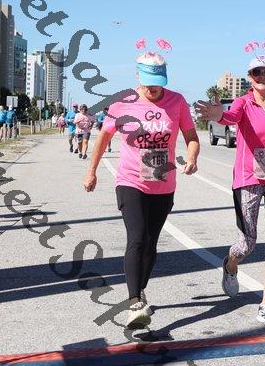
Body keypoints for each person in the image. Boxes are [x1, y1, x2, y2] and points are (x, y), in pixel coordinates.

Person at [83, 51, 199, 329]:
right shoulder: (122, 102)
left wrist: (192, 157)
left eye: (157, 82)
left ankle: (140, 289)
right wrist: (92, 171)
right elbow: (104, 136)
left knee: (150, 243)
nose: (153, 88)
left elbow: (191, 136)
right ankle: (134, 302)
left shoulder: (177, 101)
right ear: (137, 76)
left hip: (163, 183)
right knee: (136, 238)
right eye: (148, 82)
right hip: (130, 180)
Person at [194, 55, 265, 326]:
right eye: (256, 72)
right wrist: (219, 116)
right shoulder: (243, 103)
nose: (262, 76)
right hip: (248, 179)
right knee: (247, 244)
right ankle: (230, 265)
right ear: (250, 77)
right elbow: (230, 117)